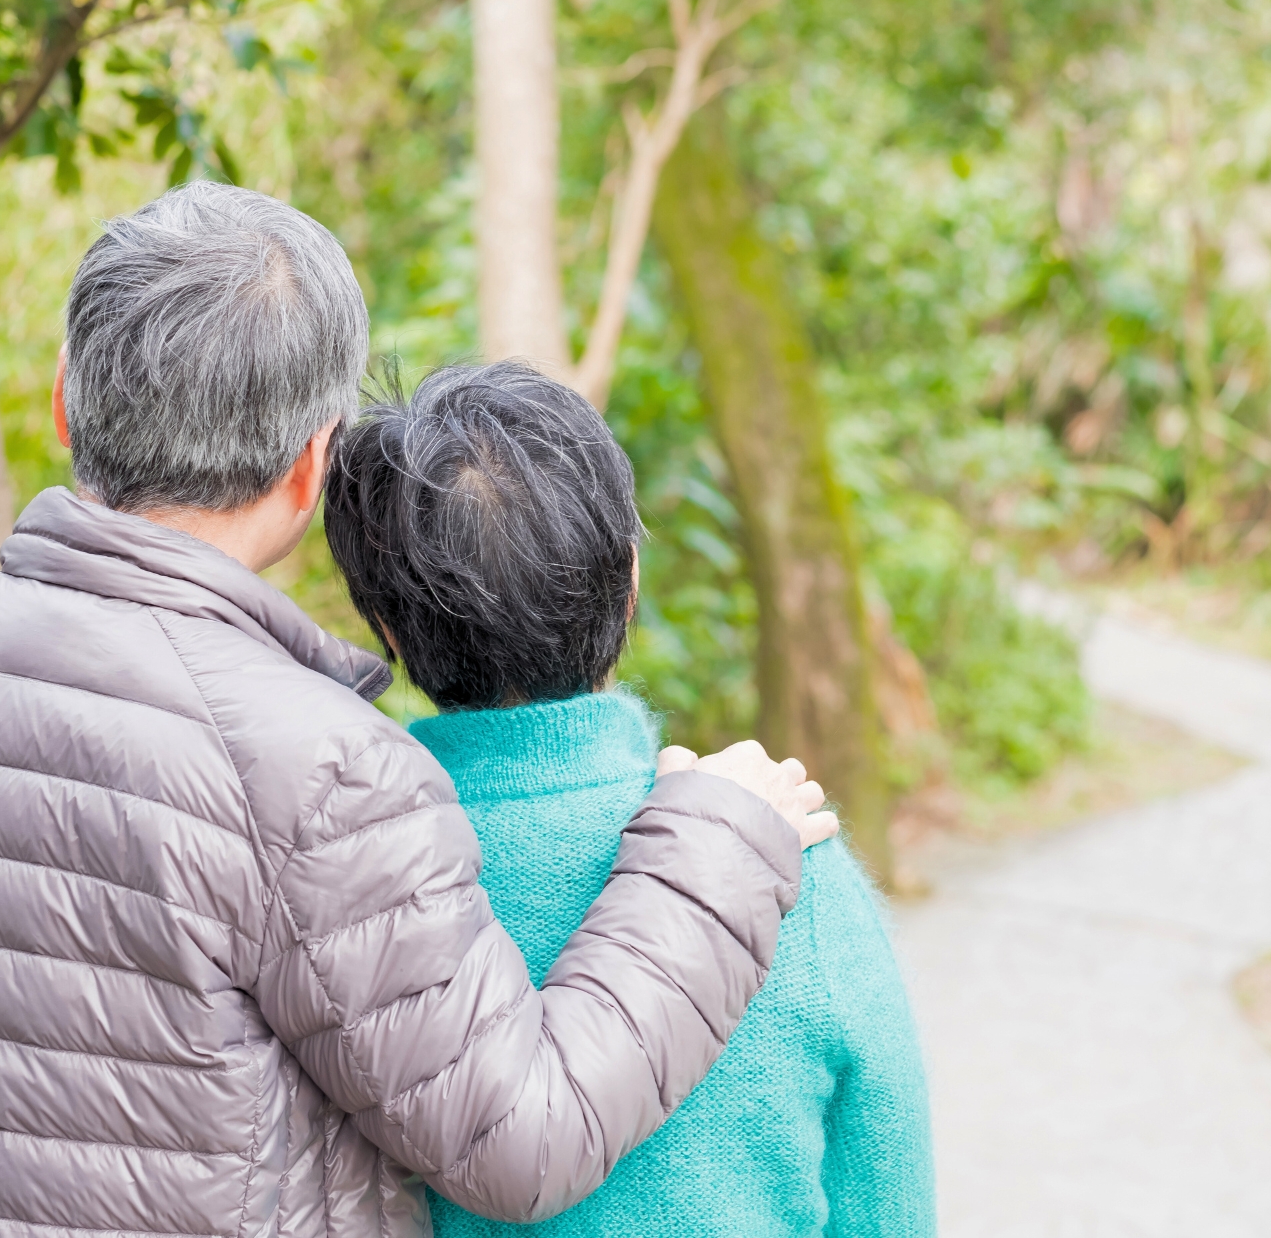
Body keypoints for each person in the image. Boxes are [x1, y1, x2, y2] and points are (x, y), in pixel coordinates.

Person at [0, 182, 838, 1238]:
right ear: (313, 466)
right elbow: (517, 1138)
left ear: (63, 398)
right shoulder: (318, 767)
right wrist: (714, 838)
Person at [325, 361, 936, 1238]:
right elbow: (890, 1211)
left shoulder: (336, 886)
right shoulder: (797, 872)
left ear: (385, 628)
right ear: (633, 578)